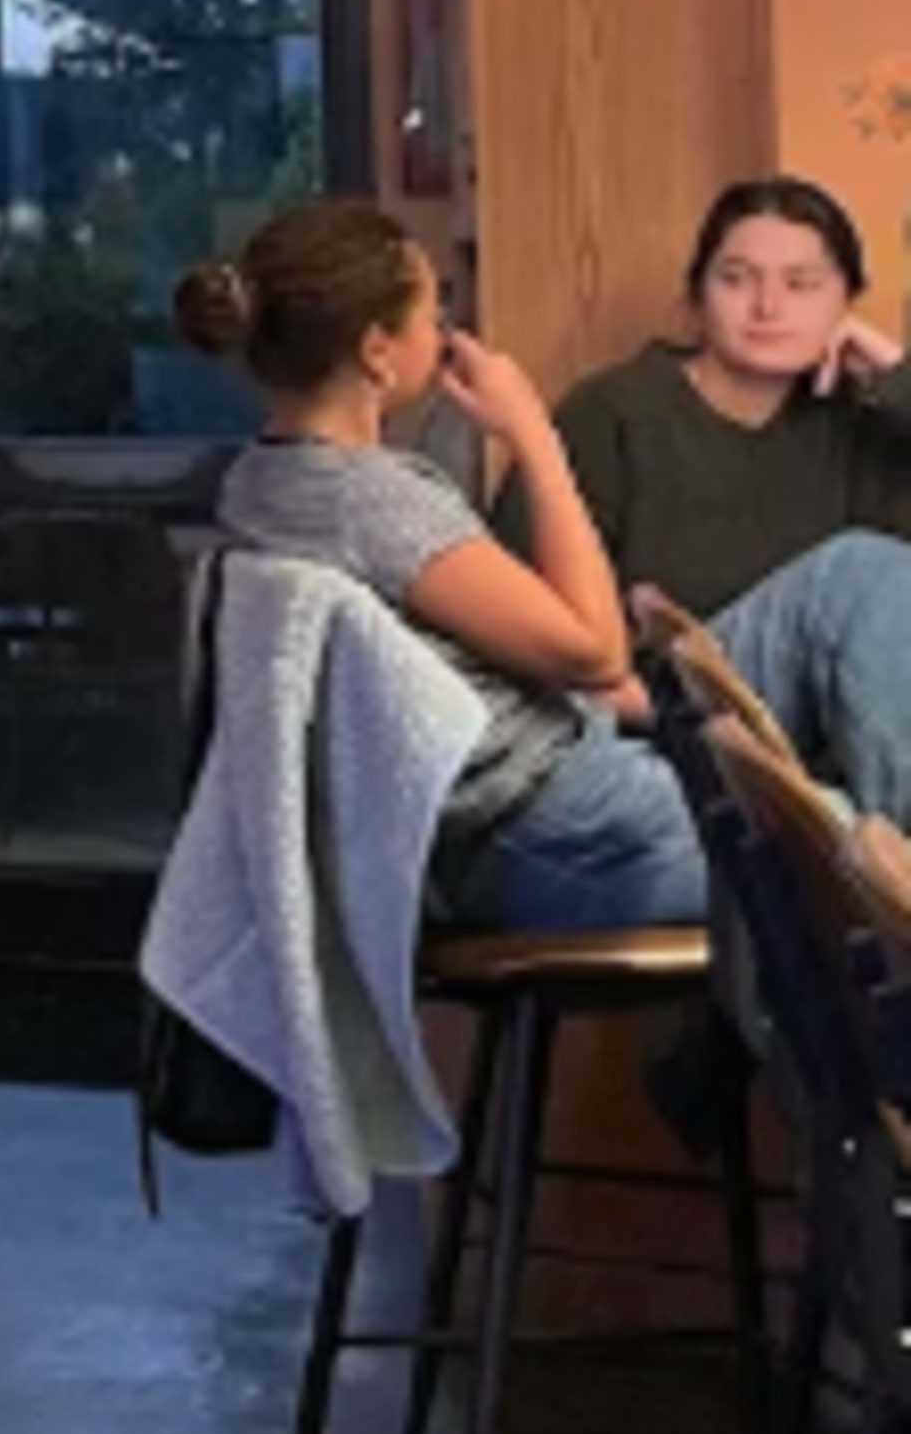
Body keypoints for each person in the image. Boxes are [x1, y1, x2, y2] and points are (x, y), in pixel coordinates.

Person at [173, 199, 911, 934]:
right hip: (550, 827)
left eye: (803, 283)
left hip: (560, 775)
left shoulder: (267, 481)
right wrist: (532, 432)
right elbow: (596, 654)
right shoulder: (371, 501)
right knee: (853, 847)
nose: (447, 333)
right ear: (377, 351)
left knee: (860, 573)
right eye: (433, 315)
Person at [519, 176, 911, 614]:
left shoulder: (862, 421)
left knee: (868, 569)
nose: (767, 307)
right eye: (736, 280)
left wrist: (899, 375)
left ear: (847, 302)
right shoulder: (612, 413)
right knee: (857, 566)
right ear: (698, 295)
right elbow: (520, 597)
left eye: (801, 284)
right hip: (659, 656)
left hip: (838, 658)